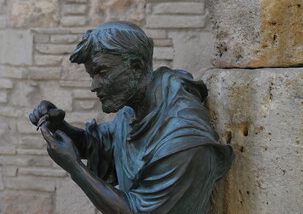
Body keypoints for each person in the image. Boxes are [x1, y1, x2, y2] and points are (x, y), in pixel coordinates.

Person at [29, 21, 234, 214]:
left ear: (135, 66)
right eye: (93, 76)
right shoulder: (135, 110)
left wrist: (75, 167)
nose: (94, 86)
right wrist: (61, 128)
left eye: (102, 72)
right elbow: (101, 144)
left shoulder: (183, 141)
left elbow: (136, 210)